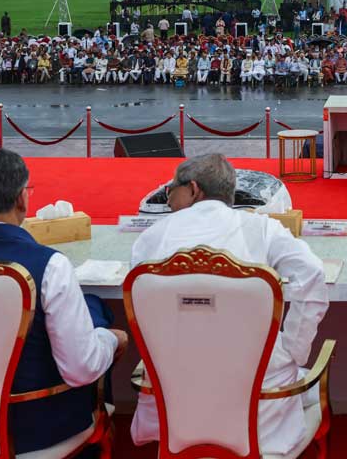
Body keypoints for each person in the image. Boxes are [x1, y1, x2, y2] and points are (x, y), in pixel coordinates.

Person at [129, 154, 329, 458]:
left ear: (194, 189)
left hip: (177, 404)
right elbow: (312, 274)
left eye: (172, 188)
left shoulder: (150, 239)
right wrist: (292, 351)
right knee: (305, 384)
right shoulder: (262, 229)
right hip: (258, 414)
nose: (167, 195)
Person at [0, 149, 128, 455]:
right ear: (21, 199)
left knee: (91, 308)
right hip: (36, 426)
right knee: (97, 318)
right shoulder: (49, 265)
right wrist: (110, 338)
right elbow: (81, 368)